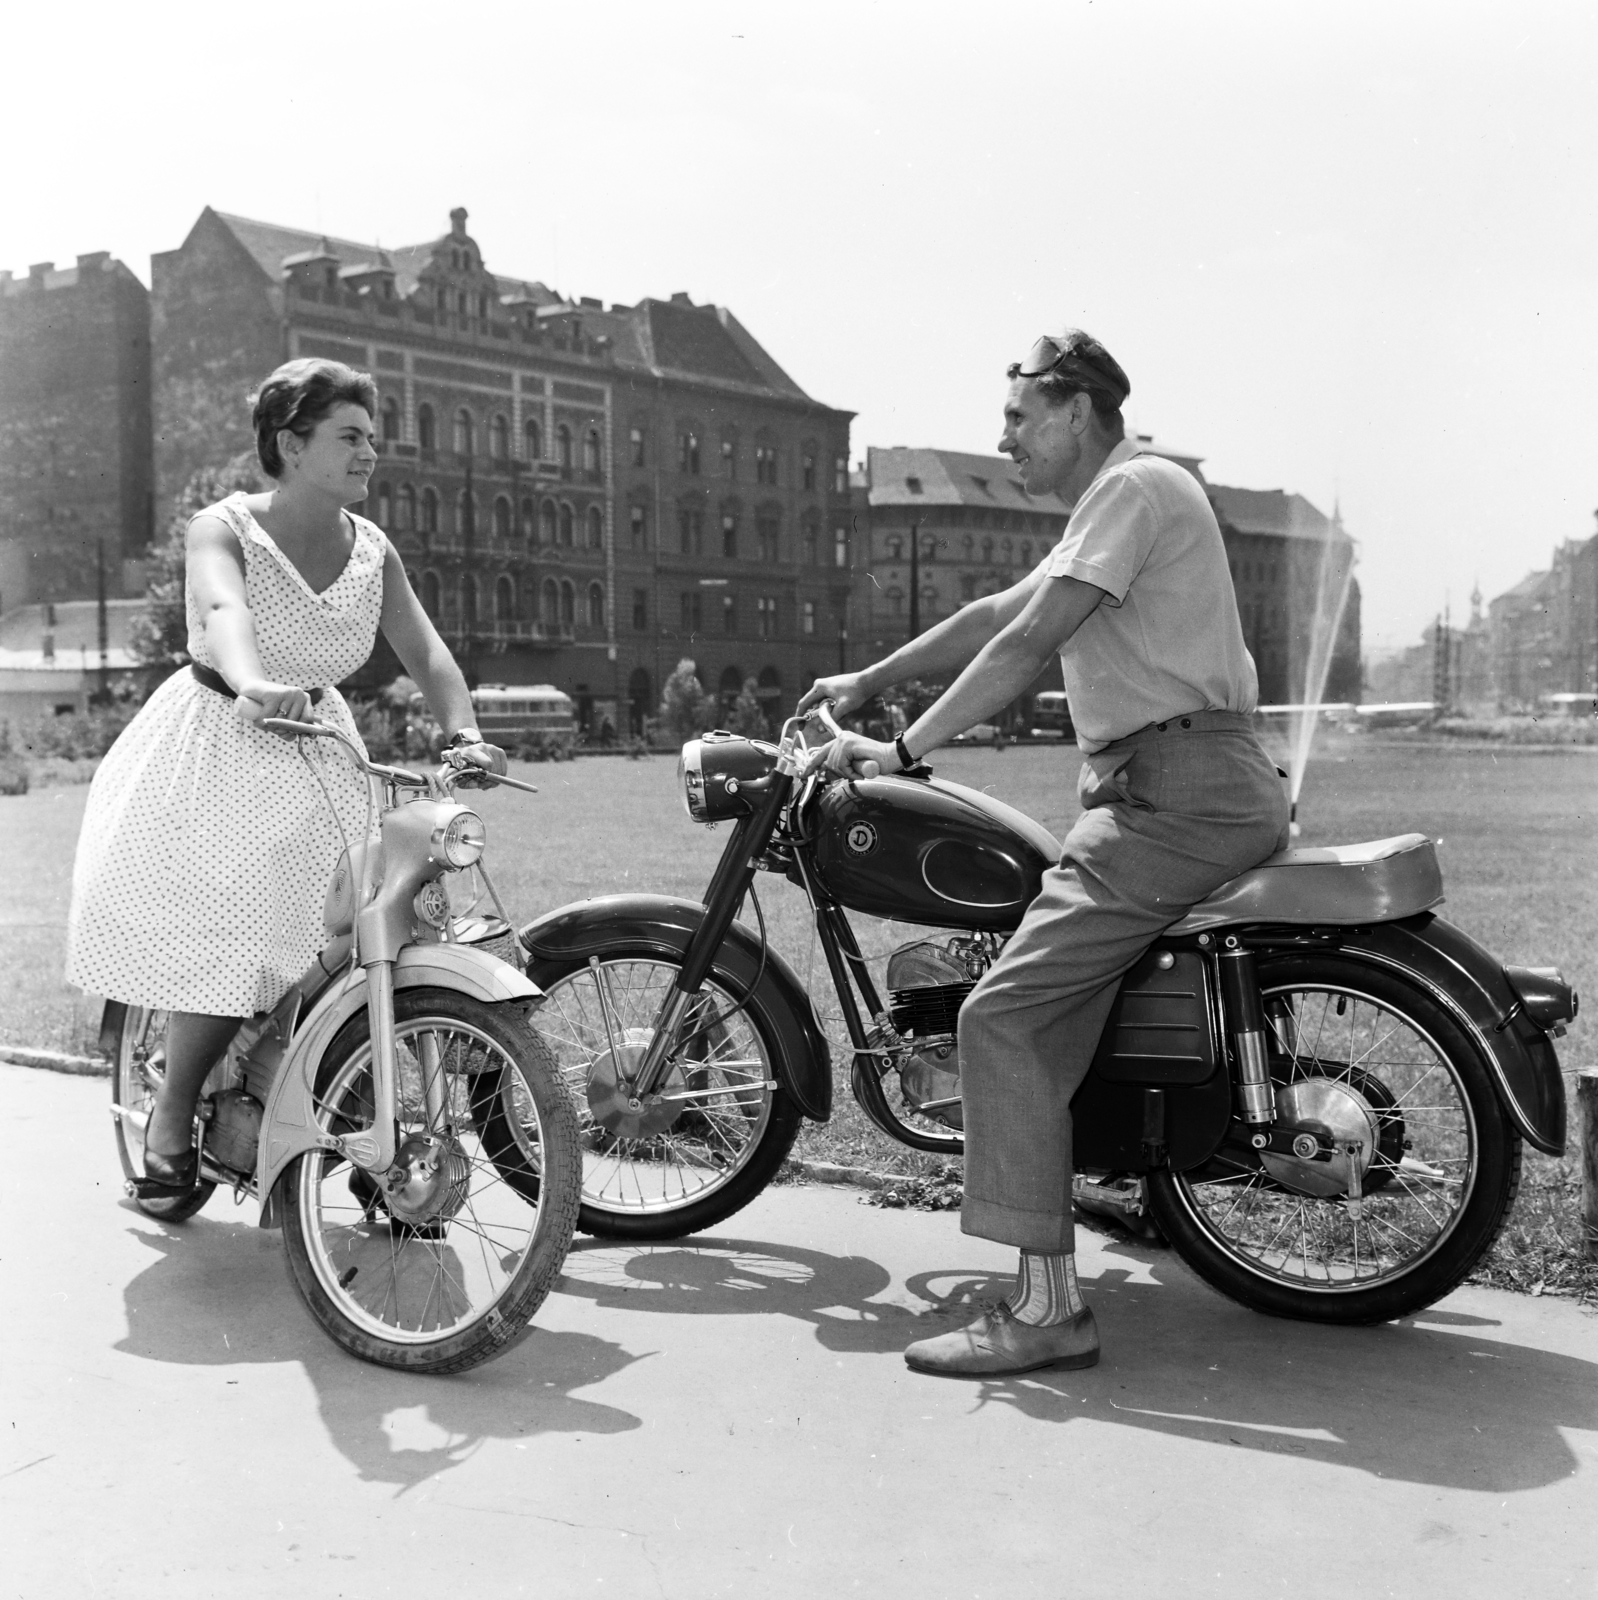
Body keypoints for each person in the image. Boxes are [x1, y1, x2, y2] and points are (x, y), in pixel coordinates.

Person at [799, 329, 1288, 1378]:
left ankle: (1046, 1308)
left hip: (1171, 800)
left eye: (1018, 416)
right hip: (1178, 786)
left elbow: (1023, 648)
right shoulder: (1120, 503)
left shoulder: (1133, 487)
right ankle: (1101, 1173)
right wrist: (863, 678)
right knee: (1036, 961)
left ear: (1074, 411)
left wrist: (897, 748)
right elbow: (995, 611)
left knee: (1004, 1014)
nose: (1003, 436)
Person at [67, 358, 506, 1196]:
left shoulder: (371, 550)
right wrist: (252, 680)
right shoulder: (223, 526)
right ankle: (172, 1117)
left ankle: (354, 1118)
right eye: (349, 436)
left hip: (320, 751)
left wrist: (467, 733)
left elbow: (427, 651)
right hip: (219, 742)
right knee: (236, 942)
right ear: (291, 443)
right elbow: (225, 610)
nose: (369, 452)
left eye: (372, 438)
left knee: (362, 933)